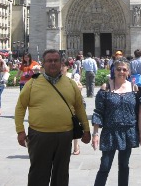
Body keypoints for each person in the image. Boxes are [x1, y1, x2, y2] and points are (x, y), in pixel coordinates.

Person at [14, 49, 90, 186]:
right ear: (43, 64)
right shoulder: (32, 83)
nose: (53, 63)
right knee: (38, 175)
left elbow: (79, 108)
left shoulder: (70, 83)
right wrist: (20, 131)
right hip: (39, 135)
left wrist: (86, 129)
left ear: (62, 63)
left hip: (65, 135)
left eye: (56, 60)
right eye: (49, 61)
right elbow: (20, 107)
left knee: (61, 175)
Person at [92, 58, 139, 186]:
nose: (121, 72)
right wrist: (95, 134)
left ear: (128, 72)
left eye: (124, 69)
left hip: (128, 132)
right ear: (113, 70)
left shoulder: (134, 88)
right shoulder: (106, 88)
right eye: (118, 69)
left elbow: (139, 112)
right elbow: (98, 112)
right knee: (105, 166)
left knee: (124, 166)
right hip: (110, 132)